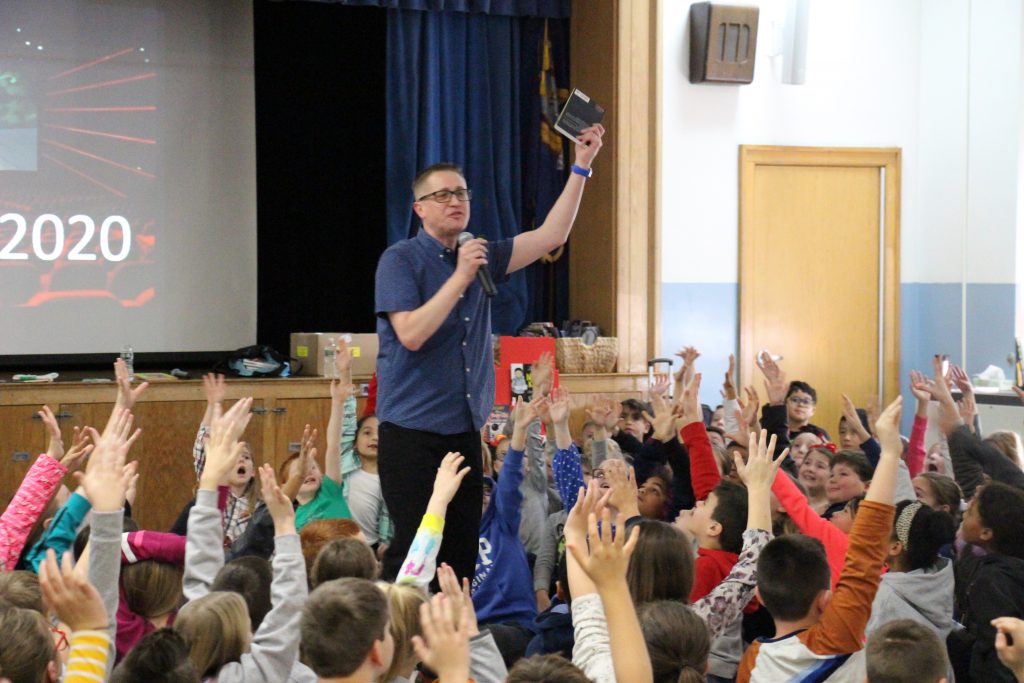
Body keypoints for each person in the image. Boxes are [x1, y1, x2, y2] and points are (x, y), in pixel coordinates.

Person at [373, 124, 604, 582]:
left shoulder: (479, 255)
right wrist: (460, 276)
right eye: (442, 195)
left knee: (459, 552)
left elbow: (551, 235)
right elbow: (412, 334)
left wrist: (582, 164)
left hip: (463, 432)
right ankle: (396, 643)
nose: (456, 200)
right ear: (419, 209)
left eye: (462, 192)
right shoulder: (400, 260)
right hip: (411, 434)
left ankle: (451, 645)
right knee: (416, 548)